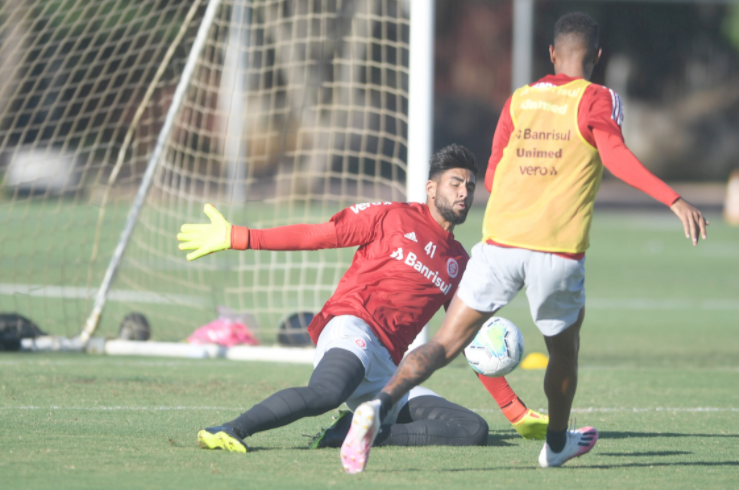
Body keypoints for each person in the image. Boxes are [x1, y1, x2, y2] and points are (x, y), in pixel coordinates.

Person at [340, 12, 710, 473]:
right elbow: (615, 155)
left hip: (498, 243)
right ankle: (555, 443)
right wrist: (673, 200)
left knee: (446, 342)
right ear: (597, 56)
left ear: (552, 54)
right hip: (555, 250)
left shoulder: (519, 100)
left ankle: (377, 404)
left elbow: (493, 175)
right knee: (564, 353)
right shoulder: (598, 98)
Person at [177, 144, 549, 454]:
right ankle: (229, 428)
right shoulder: (390, 216)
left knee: (471, 429)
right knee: (326, 393)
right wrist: (238, 236)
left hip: (388, 365)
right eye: (455, 184)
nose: (465, 193)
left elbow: (466, 340)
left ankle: (358, 431)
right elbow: (316, 235)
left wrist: (514, 411)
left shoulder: (459, 264)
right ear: (431, 188)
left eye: (470, 185)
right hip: (352, 327)